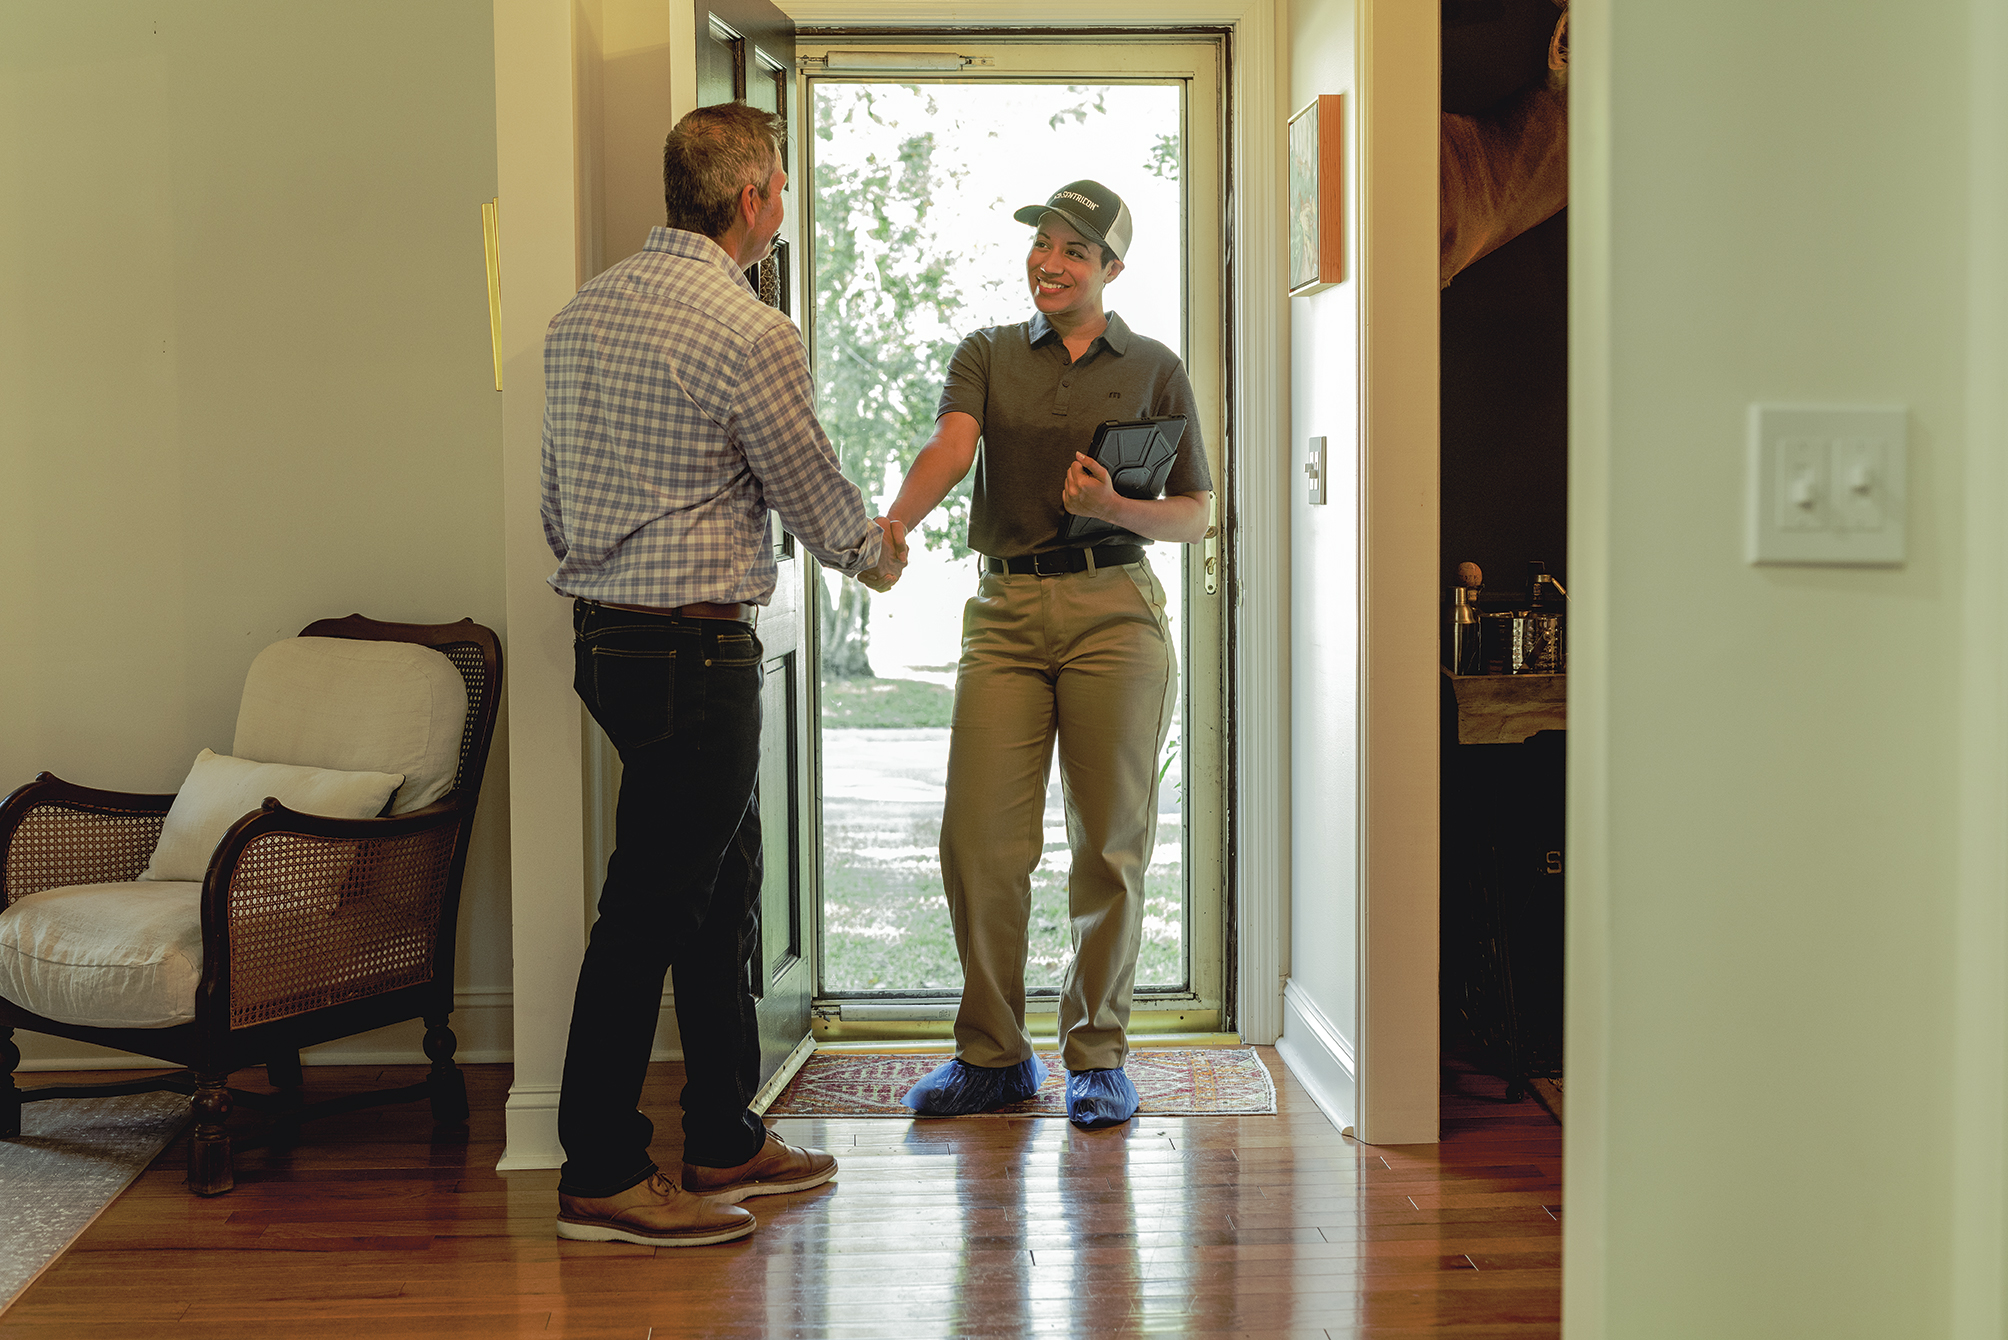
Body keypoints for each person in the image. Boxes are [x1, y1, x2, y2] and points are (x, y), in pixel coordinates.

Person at [540, 102, 906, 1247]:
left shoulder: (576, 315)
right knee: (649, 907)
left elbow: (556, 502)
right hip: (695, 652)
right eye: (782, 185)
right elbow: (809, 484)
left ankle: (720, 1134)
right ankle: (600, 1165)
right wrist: (876, 551)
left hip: (609, 640)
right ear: (751, 198)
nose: (785, 203)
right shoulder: (748, 326)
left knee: (719, 886)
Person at [882, 179, 1212, 1128]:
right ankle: (991, 1056)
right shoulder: (988, 353)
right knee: (980, 841)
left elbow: (1196, 510)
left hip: (1117, 609)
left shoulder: (1153, 365)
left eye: (1074, 249)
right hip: (1007, 613)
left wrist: (1115, 508)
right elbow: (952, 446)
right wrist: (896, 525)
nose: (1051, 262)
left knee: (1109, 844)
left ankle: (1098, 1053)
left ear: (1112, 267)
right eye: (1043, 244)